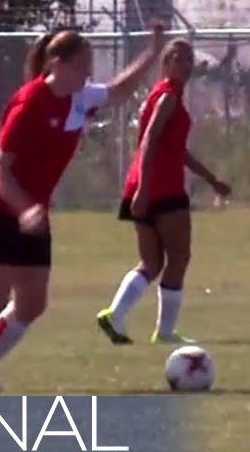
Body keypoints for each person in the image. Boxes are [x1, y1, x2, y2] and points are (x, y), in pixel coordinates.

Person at [0, 23, 167, 393]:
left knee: (32, 303)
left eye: (89, 66)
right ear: (55, 64)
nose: (87, 73)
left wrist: (152, 52)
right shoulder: (30, 102)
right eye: (81, 65)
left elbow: (119, 91)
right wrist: (23, 210)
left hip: (30, 213)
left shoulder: (80, 98)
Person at [96, 39, 230, 346]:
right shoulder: (167, 98)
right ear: (165, 64)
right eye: (178, 59)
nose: (185, 65)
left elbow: (174, 149)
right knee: (179, 257)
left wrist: (210, 179)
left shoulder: (165, 96)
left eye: (188, 60)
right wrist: (144, 189)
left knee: (152, 263)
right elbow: (149, 142)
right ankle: (165, 332)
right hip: (160, 187)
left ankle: (114, 316)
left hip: (143, 185)